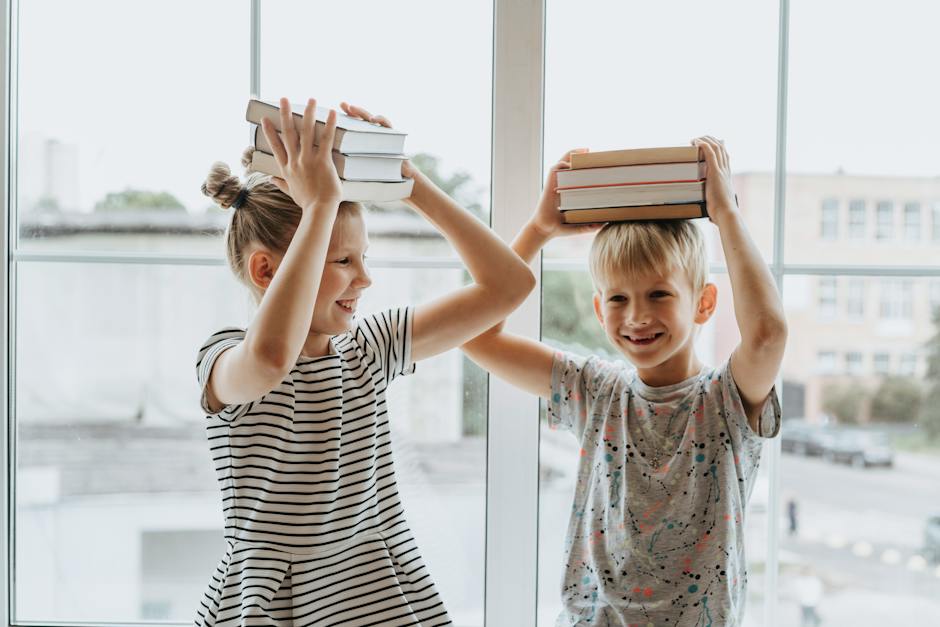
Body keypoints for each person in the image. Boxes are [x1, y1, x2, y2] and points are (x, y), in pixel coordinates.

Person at [194, 97, 534, 626]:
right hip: (272, 606)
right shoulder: (222, 356)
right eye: (343, 260)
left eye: (364, 258)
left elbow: (509, 286)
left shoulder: (369, 349)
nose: (365, 278)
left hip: (378, 594)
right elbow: (270, 358)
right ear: (266, 271)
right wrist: (320, 206)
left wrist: (410, 182)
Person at [462, 138, 787, 625]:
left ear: (703, 303)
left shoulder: (727, 399)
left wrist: (725, 216)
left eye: (659, 294)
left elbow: (767, 334)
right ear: (599, 309)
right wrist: (538, 229)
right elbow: (475, 334)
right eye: (617, 299)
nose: (637, 316)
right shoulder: (595, 390)